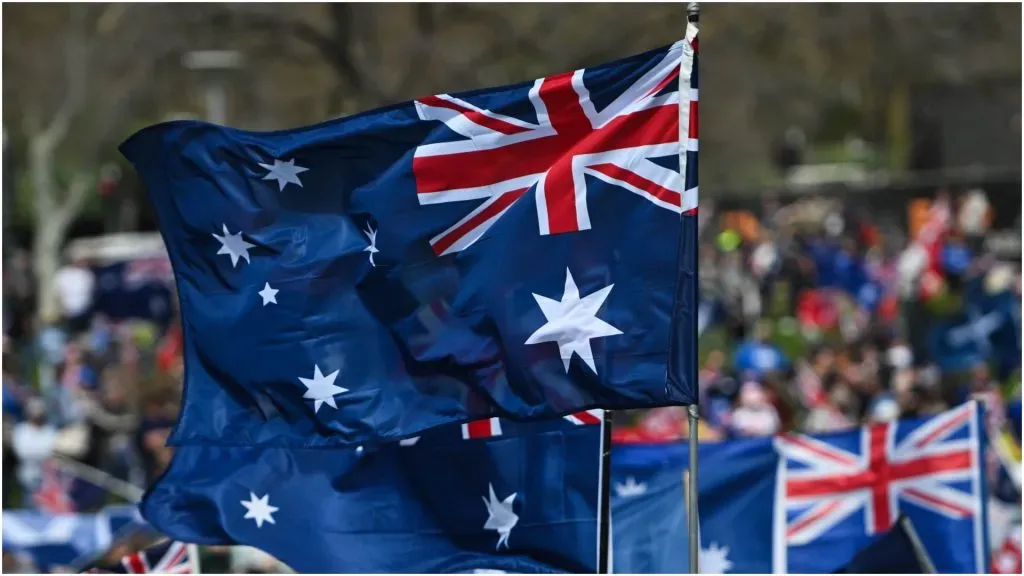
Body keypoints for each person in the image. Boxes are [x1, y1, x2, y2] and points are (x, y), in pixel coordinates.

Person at [11, 397, 58, 495]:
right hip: (26, 478)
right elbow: (22, 452)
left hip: (48, 479)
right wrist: (43, 452)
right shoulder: (21, 430)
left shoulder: (50, 430)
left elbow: (52, 451)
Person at [54, 255, 96, 336]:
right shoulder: (64, 273)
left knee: (82, 334)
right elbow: (58, 291)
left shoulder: (87, 274)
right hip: (67, 311)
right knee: (68, 334)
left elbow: (90, 291)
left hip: (84, 311)